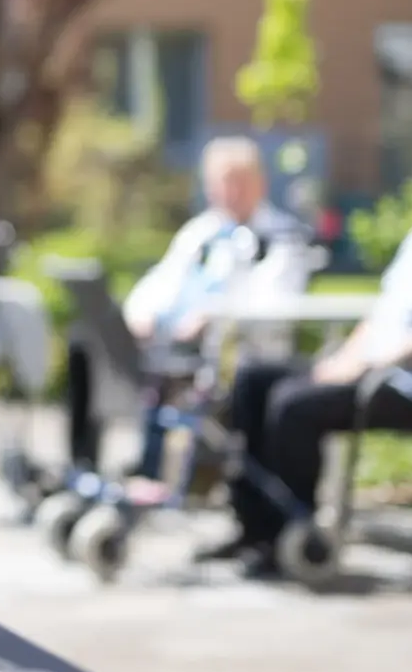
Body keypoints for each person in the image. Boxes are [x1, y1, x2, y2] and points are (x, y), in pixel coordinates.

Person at [207, 126, 412, 574]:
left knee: (294, 405)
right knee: (253, 379)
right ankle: (253, 527)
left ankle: (294, 538)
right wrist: (344, 360)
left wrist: (369, 363)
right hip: (383, 370)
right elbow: (383, 316)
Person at [65, 137, 308, 474]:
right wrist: (142, 313)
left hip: (224, 351)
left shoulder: (280, 237)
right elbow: (161, 281)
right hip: (166, 344)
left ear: (259, 183)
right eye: (221, 184)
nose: (229, 192)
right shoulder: (202, 232)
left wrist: (212, 315)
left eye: (238, 182)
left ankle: (155, 468)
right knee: (86, 341)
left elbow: (272, 304)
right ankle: (84, 466)